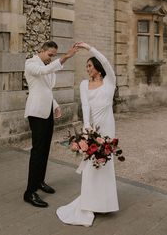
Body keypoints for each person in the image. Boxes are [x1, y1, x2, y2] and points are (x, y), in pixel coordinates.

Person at [56, 42, 119, 226]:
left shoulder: (110, 82)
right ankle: (90, 202)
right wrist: (86, 129)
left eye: (90, 66)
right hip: (92, 130)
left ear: (98, 68)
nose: (88, 69)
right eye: (87, 66)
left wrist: (88, 47)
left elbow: (106, 62)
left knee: (105, 163)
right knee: (91, 166)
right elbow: (85, 106)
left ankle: (105, 203)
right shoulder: (84, 84)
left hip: (108, 128)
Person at [23, 41, 78, 208]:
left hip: (47, 111)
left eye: (54, 56)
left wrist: (55, 105)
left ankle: (39, 181)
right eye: (50, 55)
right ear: (42, 50)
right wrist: (66, 57)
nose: (51, 58)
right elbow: (44, 71)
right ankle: (29, 192)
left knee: (45, 149)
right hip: (36, 112)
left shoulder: (47, 64)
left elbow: (46, 89)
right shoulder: (31, 63)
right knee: (37, 150)